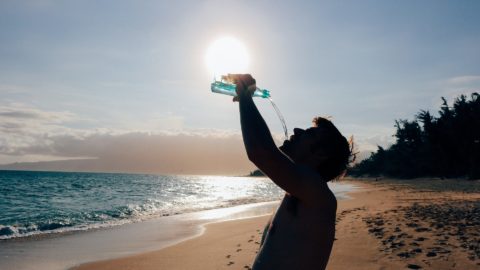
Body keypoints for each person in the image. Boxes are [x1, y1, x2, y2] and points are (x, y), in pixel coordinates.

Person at [228, 74, 352, 270]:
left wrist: (245, 97)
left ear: (320, 154)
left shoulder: (318, 195)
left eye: (309, 133)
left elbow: (261, 153)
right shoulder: (298, 194)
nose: (296, 130)